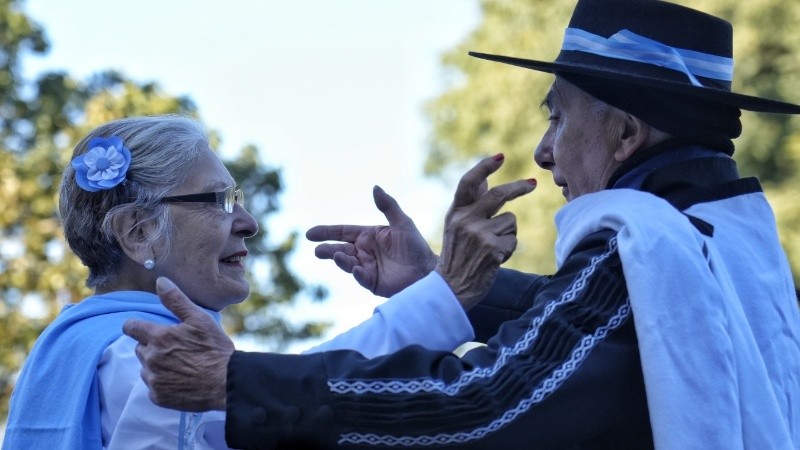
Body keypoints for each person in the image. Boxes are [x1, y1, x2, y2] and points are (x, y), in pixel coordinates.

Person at [122, 0, 800, 448]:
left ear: (624, 133)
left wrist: (240, 383)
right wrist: (444, 285)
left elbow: (485, 402)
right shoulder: (729, 241)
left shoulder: (645, 245)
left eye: (557, 117)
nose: (543, 150)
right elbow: (609, 325)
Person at [2, 116, 522, 449]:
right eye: (222, 201)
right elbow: (303, 400)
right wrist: (442, 293)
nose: (249, 222)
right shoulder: (137, 357)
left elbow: (289, 390)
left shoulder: (73, 352)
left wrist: (429, 286)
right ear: (138, 233)